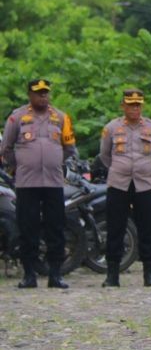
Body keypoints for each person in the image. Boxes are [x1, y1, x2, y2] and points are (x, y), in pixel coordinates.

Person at [0, 79, 77, 289]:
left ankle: (55, 275)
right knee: (28, 228)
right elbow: (6, 148)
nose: (43, 96)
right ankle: (29, 275)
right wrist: (20, 165)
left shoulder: (60, 117)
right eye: (38, 93)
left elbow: (69, 148)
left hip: (53, 182)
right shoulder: (17, 117)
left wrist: (56, 163)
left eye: (45, 93)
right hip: (27, 182)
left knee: (55, 228)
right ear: (30, 95)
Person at [100, 88, 151, 287]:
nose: (134, 108)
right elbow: (104, 156)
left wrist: (142, 168)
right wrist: (121, 168)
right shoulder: (111, 128)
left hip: (144, 184)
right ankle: (112, 274)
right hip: (118, 184)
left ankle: (149, 273)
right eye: (130, 104)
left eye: (138, 104)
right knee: (115, 229)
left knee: (147, 228)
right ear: (123, 106)